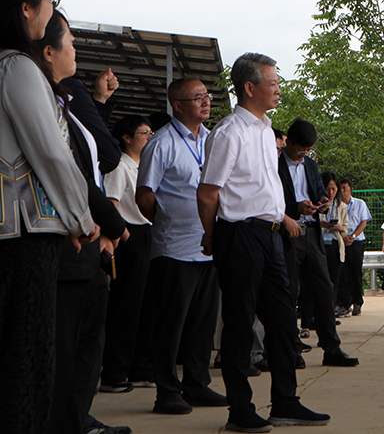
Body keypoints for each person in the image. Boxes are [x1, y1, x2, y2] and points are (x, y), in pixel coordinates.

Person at [197, 53, 330, 432]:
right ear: (249, 87)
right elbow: (208, 193)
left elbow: (263, 188)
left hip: (270, 235)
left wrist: (283, 216)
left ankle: (285, 401)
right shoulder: (229, 133)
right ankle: (240, 410)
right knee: (240, 323)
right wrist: (212, 235)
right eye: (272, 83)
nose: (277, 89)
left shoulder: (265, 131)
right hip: (239, 234)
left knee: (284, 319)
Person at [0, 0, 98, 434]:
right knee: (27, 360)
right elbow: (53, 155)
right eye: (47, 0)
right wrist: (82, 218)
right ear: (23, 8)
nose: (49, 9)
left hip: (13, 237)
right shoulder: (17, 67)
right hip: (24, 239)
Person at [35, 10, 130, 434]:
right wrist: (112, 222)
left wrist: (99, 104)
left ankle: (77, 418)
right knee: (66, 347)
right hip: (71, 238)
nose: (76, 48)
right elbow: (74, 171)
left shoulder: (68, 102)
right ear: (49, 51)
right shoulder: (44, 102)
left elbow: (96, 157)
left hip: (87, 237)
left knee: (87, 344)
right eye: (70, 41)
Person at [135, 78, 226, 415]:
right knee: (172, 324)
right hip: (174, 248)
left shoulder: (211, 141)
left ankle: (197, 384)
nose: (206, 102)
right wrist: (167, 220)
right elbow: (145, 195)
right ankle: (167, 391)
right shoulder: (161, 144)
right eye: (197, 97)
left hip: (209, 246)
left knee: (203, 323)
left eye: (207, 96)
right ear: (177, 105)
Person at [279, 119, 358, 368]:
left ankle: (331, 347)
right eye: (300, 150)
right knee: (289, 291)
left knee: (324, 287)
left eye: (308, 151)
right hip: (287, 232)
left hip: (312, 233)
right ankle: (291, 348)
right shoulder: (273, 165)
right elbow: (268, 201)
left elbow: (316, 191)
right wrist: (294, 208)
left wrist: (321, 201)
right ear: (288, 142)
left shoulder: (311, 165)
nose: (303, 155)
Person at [100, 115, 155, 392]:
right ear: (127, 137)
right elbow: (110, 205)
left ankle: (138, 367)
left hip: (146, 235)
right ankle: (114, 371)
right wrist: (121, 235)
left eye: (150, 132)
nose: (149, 137)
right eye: (143, 133)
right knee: (125, 306)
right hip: (128, 238)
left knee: (143, 306)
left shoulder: (142, 166)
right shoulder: (119, 166)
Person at [336, 178, 371, 315]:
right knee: (342, 274)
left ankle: (357, 302)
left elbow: (363, 222)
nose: (342, 191)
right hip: (341, 241)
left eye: (345, 188)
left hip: (356, 242)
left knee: (355, 273)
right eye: (340, 188)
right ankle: (344, 304)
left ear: (351, 189)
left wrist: (353, 236)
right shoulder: (335, 205)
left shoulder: (359, 203)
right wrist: (343, 238)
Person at [319, 171, 349, 310]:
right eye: (327, 189)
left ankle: (330, 313)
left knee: (334, 282)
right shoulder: (317, 205)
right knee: (320, 282)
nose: (330, 192)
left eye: (333, 189)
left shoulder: (341, 206)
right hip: (319, 246)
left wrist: (340, 228)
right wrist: (322, 224)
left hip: (335, 245)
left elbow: (347, 229)